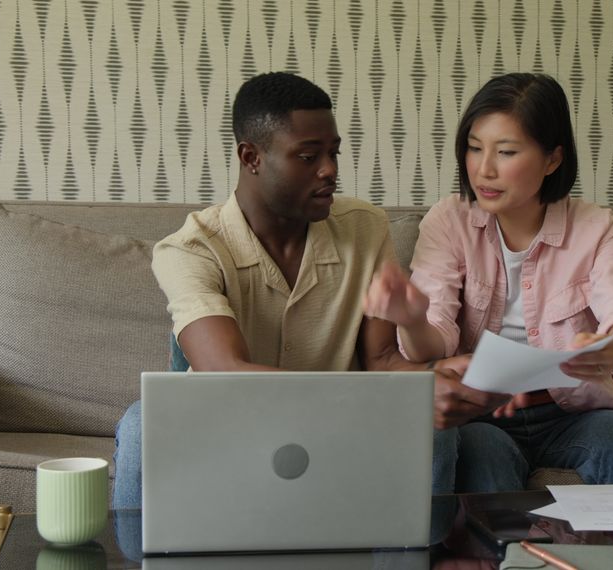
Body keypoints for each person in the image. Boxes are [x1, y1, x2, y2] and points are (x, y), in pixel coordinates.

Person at [111, 72, 504, 510]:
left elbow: (382, 361)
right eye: (308, 156)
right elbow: (224, 373)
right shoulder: (189, 250)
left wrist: (443, 378)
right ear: (251, 157)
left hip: (343, 429)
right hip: (233, 427)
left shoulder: (365, 227)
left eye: (333, 153)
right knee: (140, 425)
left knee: (426, 418)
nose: (330, 170)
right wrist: (390, 396)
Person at [363, 73, 613, 492]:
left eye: (505, 152)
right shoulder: (448, 221)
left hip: (574, 411)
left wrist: (606, 349)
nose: (483, 169)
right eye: (473, 148)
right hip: (484, 413)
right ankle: (500, 557)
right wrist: (412, 321)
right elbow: (436, 345)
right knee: (483, 458)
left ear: (552, 159)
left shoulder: (595, 226)